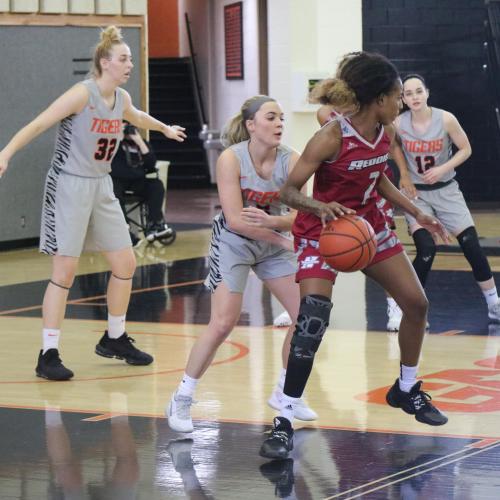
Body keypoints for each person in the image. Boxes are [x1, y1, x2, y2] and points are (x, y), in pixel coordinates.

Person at [259, 52, 450, 460]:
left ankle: (407, 389)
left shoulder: (387, 131)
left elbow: (377, 177)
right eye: (397, 95)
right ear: (378, 98)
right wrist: (319, 207)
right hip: (324, 232)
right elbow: (288, 193)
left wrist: (417, 212)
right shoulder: (331, 135)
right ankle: (285, 417)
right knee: (311, 318)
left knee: (416, 304)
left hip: (369, 228)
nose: (401, 102)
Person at [0, 26, 186, 381]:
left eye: (131, 58)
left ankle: (114, 337)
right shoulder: (81, 95)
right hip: (69, 184)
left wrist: (163, 128)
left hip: (101, 185)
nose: (129, 64)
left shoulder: (121, 98)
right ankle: (48, 353)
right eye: (123, 58)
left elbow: (138, 117)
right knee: (64, 272)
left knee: (125, 262)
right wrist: (6, 151)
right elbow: (40, 123)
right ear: (105, 62)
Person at [166, 95, 317, 433]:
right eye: (271, 117)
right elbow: (234, 220)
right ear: (251, 125)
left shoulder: (292, 160)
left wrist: (273, 224)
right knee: (222, 322)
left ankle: (286, 392)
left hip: (273, 242)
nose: (280, 123)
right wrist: (278, 234)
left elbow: (300, 217)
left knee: (306, 317)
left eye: (281, 117)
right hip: (234, 243)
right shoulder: (230, 160)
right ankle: (182, 396)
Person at [386, 74, 500, 330]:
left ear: (427, 93)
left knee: (471, 245)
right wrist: (404, 174)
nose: (414, 97)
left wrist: (443, 168)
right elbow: (393, 146)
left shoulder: (446, 119)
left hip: (447, 189)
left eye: (418, 91)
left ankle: (494, 303)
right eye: (408, 93)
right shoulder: (398, 122)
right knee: (426, 249)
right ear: (402, 98)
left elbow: (466, 149)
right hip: (417, 195)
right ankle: (409, 308)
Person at [111, 121, 174, 245]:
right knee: (113, 192)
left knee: (156, 185)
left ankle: (154, 226)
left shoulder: (140, 143)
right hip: (117, 181)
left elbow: (151, 164)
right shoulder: (113, 143)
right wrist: (117, 138)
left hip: (137, 181)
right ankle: (125, 232)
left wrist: (139, 141)